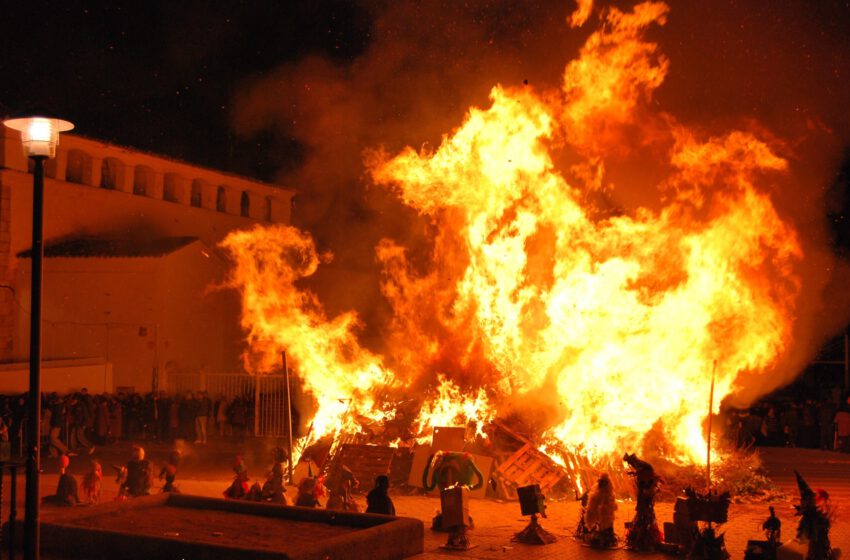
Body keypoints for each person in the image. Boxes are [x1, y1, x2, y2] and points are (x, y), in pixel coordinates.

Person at [585, 473, 617, 548]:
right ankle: (601, 538)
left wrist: (605, 508)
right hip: (600, 515)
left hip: (606, 515)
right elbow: (593, 503)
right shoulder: (597, 493)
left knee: (607, 526)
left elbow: (612, 504)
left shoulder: (609, 494)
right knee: (601, 525)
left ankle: (606, 539)